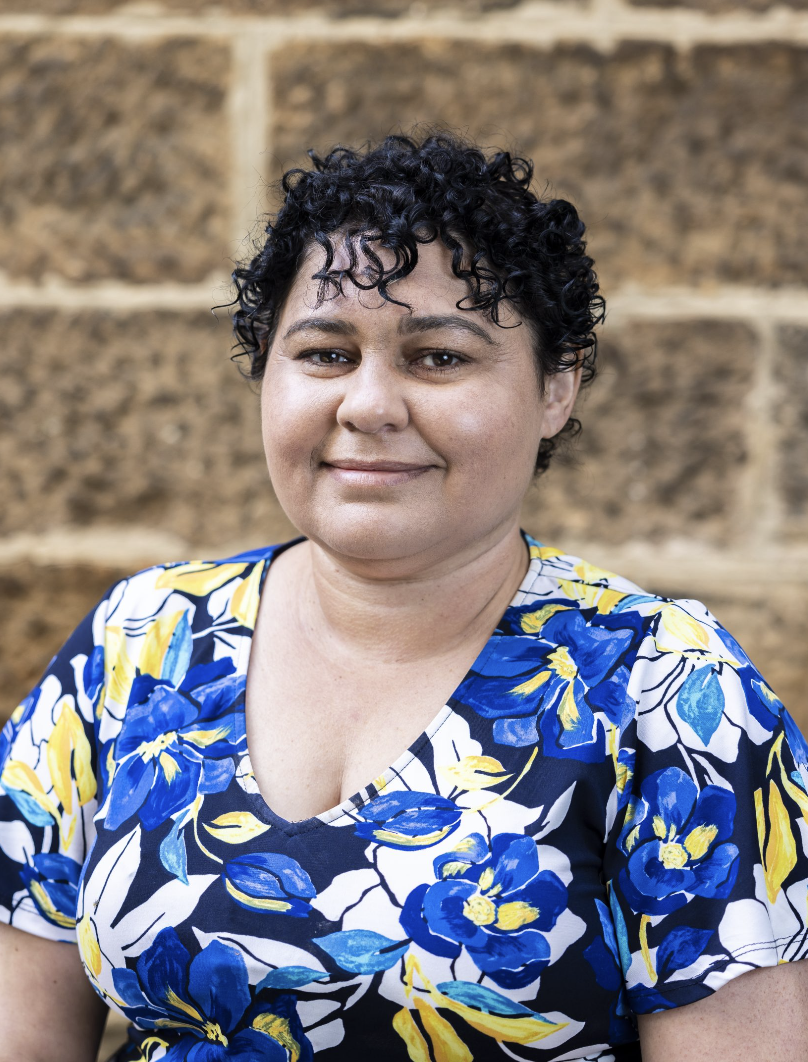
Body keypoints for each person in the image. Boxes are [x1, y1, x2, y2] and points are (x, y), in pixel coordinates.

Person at [1, 133, 807, 1062]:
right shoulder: (141, 639)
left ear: (557, 385)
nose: (369, 405)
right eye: (326, 353)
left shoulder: (667, 689)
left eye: (438, 358)